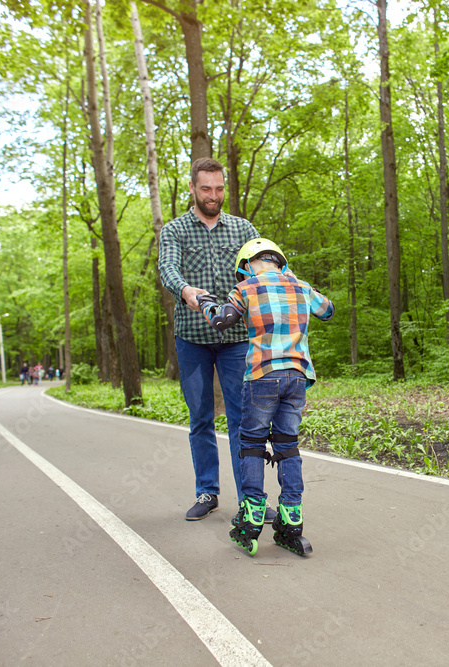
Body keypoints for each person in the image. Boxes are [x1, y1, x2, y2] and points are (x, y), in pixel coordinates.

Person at [158, 157, 272, 522]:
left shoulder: (242, 228)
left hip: (237, 338)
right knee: (201, 418)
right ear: (192, 188)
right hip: (191, 339)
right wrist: (186, 289)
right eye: (206, 188)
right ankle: (207, 492)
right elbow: (168, 268)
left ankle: (250, 499)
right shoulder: (175, 230)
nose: (213, 195)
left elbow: (262, 268)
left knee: (243, 419)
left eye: (219, 188)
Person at [204, 238, 334, 556]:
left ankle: (252, 514)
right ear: (280, 261)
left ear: (248, 264)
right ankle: (291, 517)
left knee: (251, 443)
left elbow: (222, 321)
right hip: (298, 377)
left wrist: (207, 306)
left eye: (243, 270)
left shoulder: (246, 288)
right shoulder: (300, 286)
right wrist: (296, 288)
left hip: (262, 375)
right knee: (288, 447)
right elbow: (328, 310)